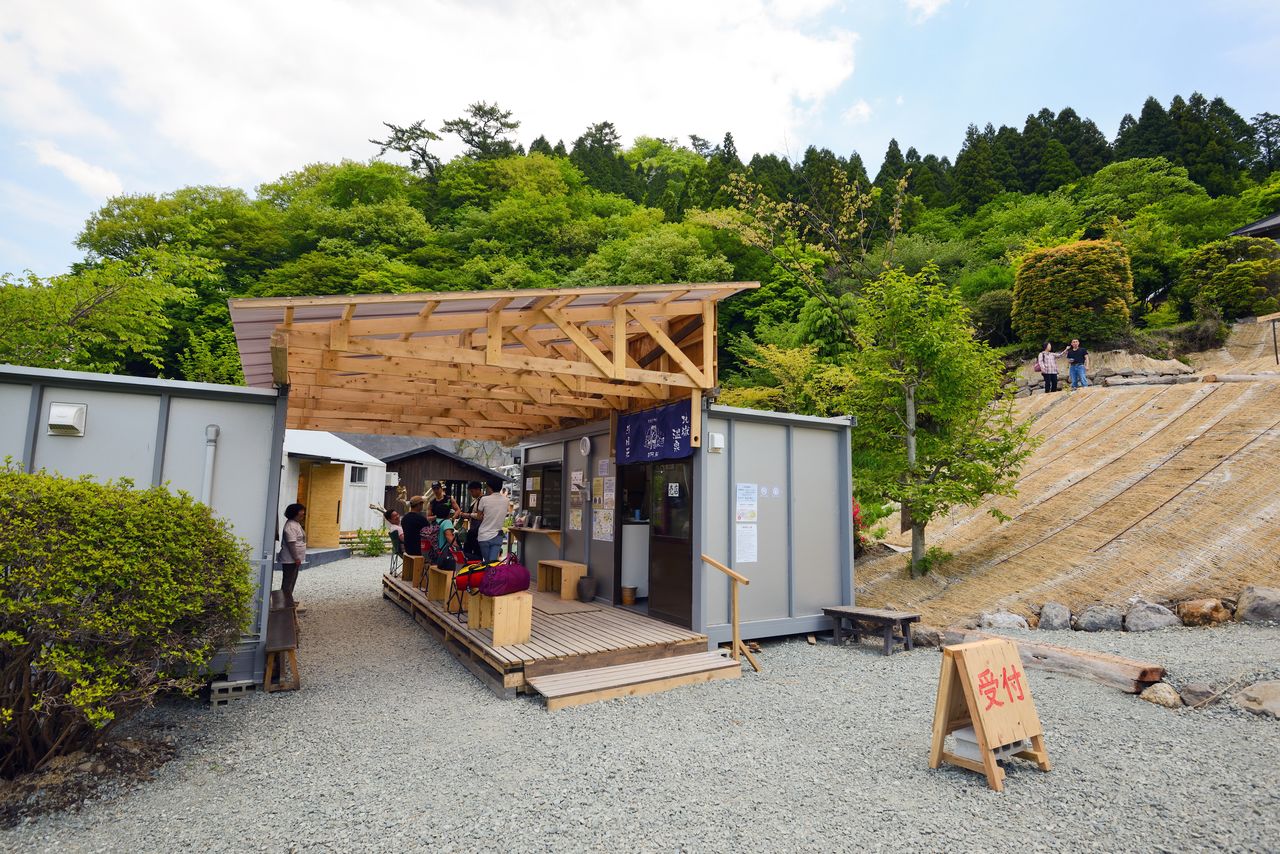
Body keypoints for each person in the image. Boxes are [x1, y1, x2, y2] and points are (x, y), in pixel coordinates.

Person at [473, 478, 509, 563]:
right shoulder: (506, 500)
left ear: (489, 488)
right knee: (492, 563)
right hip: (497, 536)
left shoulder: (484, 499)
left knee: (488, 562)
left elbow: (478, 517)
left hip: (484, 536)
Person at [279, 503, 306, 608]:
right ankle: (284, 603)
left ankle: (288, 601)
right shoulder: (290, 526)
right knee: (288, 581)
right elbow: (291, 544)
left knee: (292, 580)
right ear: (294, 513)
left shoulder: (296, 523)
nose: (302, 515)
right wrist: (296, 558)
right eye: (301, 514)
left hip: (294, 559)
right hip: (290, 559)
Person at [463, 481, 484, 560]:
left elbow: (480, 516)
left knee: (476, 552)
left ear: (478, 489)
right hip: (474, 529)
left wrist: (469, 515)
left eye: (472, 491)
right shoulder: (476, 500)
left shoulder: (482, 500)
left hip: (477, 531)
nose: (471, 494)